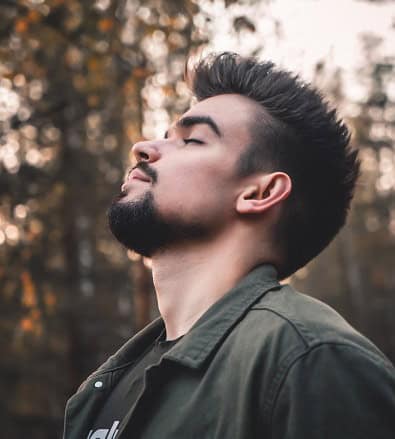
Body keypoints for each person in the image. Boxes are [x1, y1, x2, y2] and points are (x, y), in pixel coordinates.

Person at [63, 52, 395, 439]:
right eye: (166, 136)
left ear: (261, 192)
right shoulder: (105, 390)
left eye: (191, 140)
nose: (142, 146)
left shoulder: (313, 361)